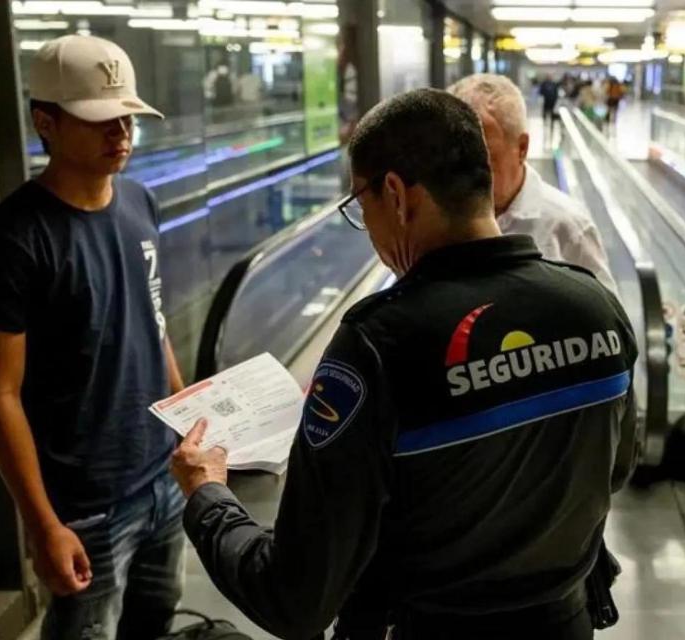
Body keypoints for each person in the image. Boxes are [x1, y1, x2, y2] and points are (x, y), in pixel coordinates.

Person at [172, 88, 638, 640]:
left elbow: (295, 596)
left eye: (359, 204)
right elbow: (616, 466)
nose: (365, 227)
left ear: (395, 194)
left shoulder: (377, 346)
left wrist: (208, 496)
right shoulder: (595, 306)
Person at [0, 35, 186, 639]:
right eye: (101, 121)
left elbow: (154, 321)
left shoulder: (140, 201)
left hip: (161, 479)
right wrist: (44, 524)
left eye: (127, 117)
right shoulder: (13, 239)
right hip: (87, 506)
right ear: (45, 123)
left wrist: (188, 422)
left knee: (157, 621)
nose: (120, 132)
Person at [449, 73, 617, 295]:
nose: (465, 175)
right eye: (455, 159)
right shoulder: (438, 217)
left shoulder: (568, 227)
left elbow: (608, 316)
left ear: (522, 148)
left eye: (484, 159)